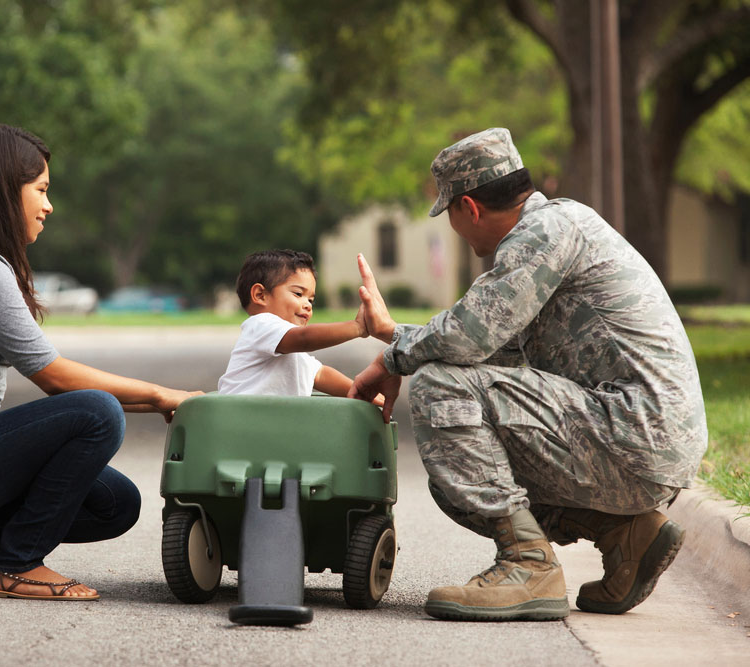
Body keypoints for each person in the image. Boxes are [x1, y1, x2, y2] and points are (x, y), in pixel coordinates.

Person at [349, 128, 707, 621]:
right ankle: (625, 535)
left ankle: (527, 565)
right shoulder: (556, 229)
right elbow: (491, 353)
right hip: (642, 438)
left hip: (634, 433)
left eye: (450, 213)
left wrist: (394, 358)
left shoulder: (545, 233)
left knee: (439, 390)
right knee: (454, 476)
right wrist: (394, 338)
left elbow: (466, 339)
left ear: (468, 208)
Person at [0, 124, 200, 601]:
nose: (48, 206)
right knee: (96, 412)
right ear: (5, 189)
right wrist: (160, 396)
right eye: (42, 190)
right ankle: (17, 565)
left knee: (115, 504)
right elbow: (53, 376)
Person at [218, 249, 372, 398]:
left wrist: (363, 393)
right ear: (260, 295)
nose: (308, 305)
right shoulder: (260, 324)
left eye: (311, 300)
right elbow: (304, 338)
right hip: (236, 419)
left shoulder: (293, 353)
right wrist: (357, 327)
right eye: (298, 294)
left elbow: (320, 374)